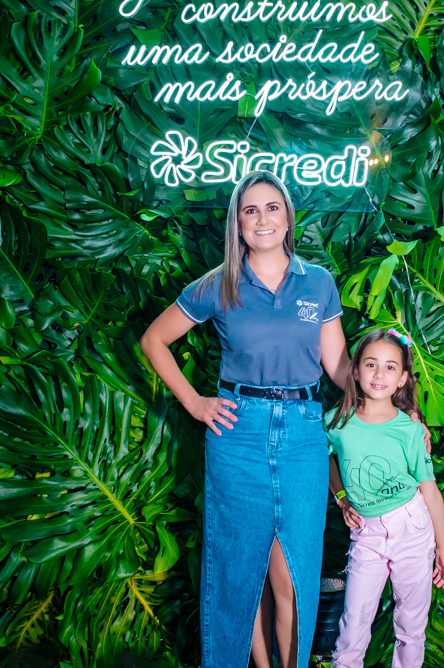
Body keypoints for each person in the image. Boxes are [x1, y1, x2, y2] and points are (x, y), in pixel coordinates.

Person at [138, 170, 351, 668]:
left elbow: (340, 368)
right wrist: (196, 403)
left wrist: (401, 408)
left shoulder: (318, 282)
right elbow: (154, 340)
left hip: (302, 435)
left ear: (288, 216)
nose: (262, 218)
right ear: (237, 222)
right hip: (238, 435)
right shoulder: (220, 284)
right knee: (238, 573)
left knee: (292, 578)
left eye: (272, 207)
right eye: (250, 210)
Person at [326, 328, 444, 668]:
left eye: (390, 367)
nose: (379, 374)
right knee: (353, 624)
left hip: (412, 529)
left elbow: (429, 489)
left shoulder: (410, 430)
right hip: (367, 535)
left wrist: (443, 549)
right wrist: (341, 497)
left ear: (402, 379)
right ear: (355, 371)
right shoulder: (336, 423)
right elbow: (324, 458)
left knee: (411, 627)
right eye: (370, 364)